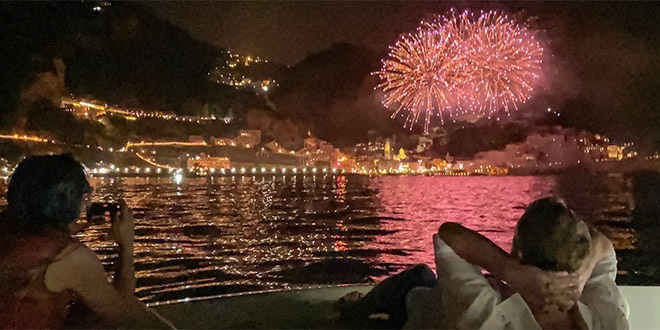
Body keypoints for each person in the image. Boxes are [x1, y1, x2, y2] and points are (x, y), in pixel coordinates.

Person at [0, 154, 174, 329]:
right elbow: (125, 315)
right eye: (84, 196)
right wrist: (126, 246)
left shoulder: (9, 234)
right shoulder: (68, 258)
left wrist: (72, 228)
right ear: (70, 200)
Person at [405, 197, 629, 329]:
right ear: (579, 259)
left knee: (417, 281)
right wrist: (580, 276)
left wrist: (510, 272)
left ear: (518, 253)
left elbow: (448, 236)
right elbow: (604, 248)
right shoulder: (608, 317)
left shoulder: (485, 316)